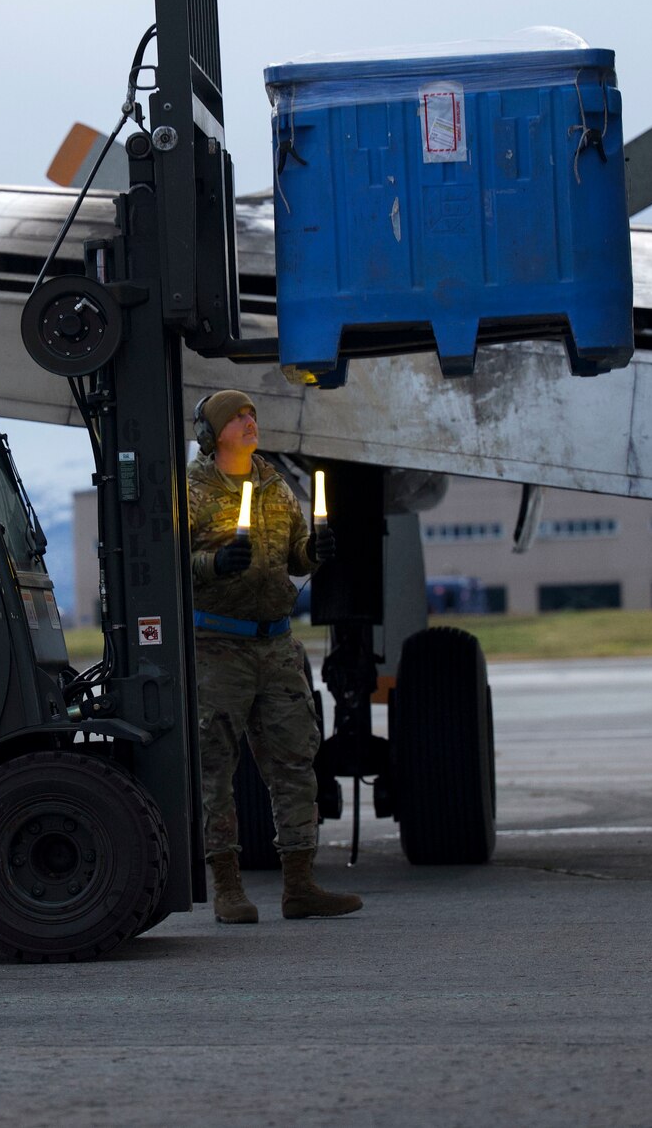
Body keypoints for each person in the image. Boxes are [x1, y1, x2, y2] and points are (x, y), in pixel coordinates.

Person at [188, 389, 363, 924]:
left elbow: (295, 554)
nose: (249, 422)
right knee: (214, 767)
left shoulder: (274, 485)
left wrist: (315, 551)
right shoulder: (192, 491)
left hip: (276, 644)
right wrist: (216, 563)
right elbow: (173, 558)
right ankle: (228, 888)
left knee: (295, 762)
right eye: (238, 417)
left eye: (252, 415)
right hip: (218, 647)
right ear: (212, 433)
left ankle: (300, 885)